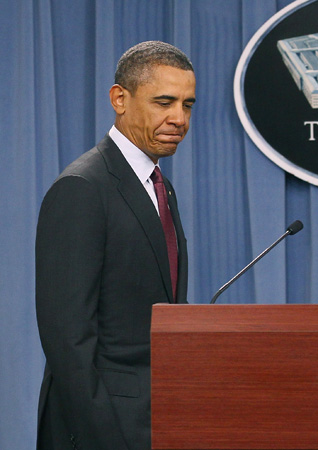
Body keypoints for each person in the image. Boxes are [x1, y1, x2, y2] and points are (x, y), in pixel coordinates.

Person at [35, 41, 196, 450]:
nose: (179, 119)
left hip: (157, 418)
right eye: (164, 102)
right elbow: (67, 338)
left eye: (187, 105)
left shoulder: (160, 187)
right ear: (119, 99)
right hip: (102, 428)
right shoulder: (82, 187)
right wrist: (104, 435)